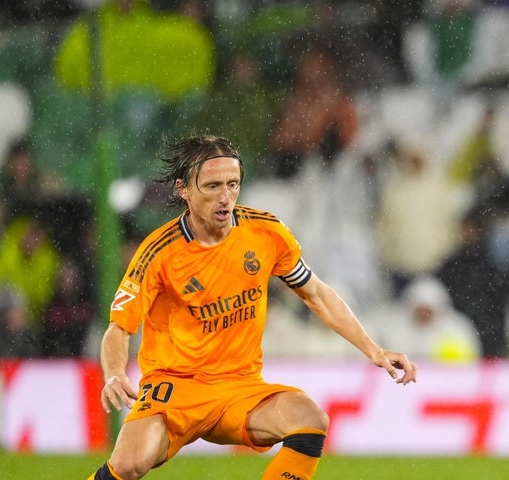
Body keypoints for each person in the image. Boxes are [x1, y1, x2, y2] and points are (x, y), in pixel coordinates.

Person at [86, 135, 416, 480]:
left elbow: (316, 294)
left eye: (233, 184)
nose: (225, 197)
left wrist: (374, 351)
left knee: (310, 420)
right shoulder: (158, 252)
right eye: (212, 186)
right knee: (128, 465)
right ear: (184, 189)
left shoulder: (265, 232)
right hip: (174, 388)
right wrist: (114, 374)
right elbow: (119, 329)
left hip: (240, 388)